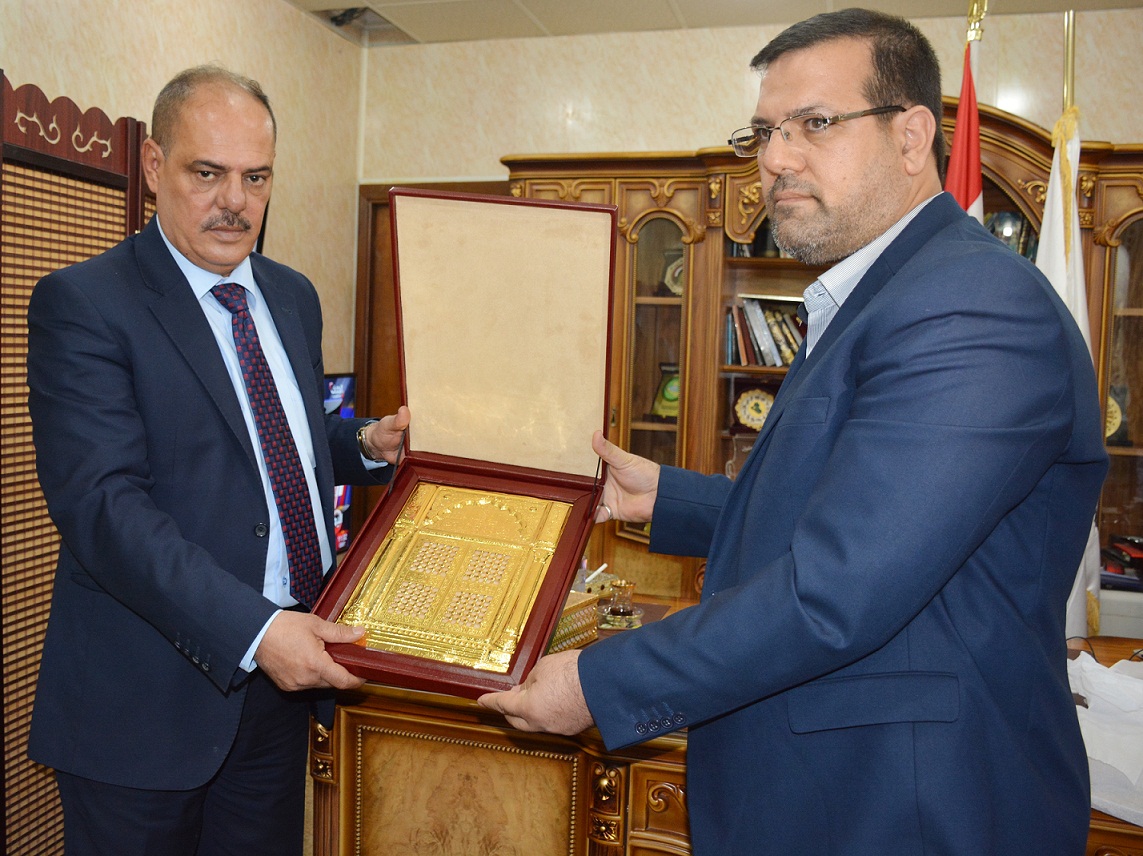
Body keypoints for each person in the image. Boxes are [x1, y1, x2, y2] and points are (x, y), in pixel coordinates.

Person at [479, 9, 1108, 855]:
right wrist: (666, 497)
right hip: (838, 787)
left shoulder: (969, 305)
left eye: (814, 124)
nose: (775, 159)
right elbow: (851, 511)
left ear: (910, 136)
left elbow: (838, 587)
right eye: (764, 132)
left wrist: (600, 682)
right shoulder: (885, 292)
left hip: (910, 804)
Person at [26, 65, 409, 856]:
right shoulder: (85, 303)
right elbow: (104, 507)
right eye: (208, 173)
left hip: (276, 695)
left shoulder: (292, 295)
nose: (234, 201)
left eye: (255, 177)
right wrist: (256, 630)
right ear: (154, 165)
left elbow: (269, 444)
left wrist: (364, 444)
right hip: (145, 705)